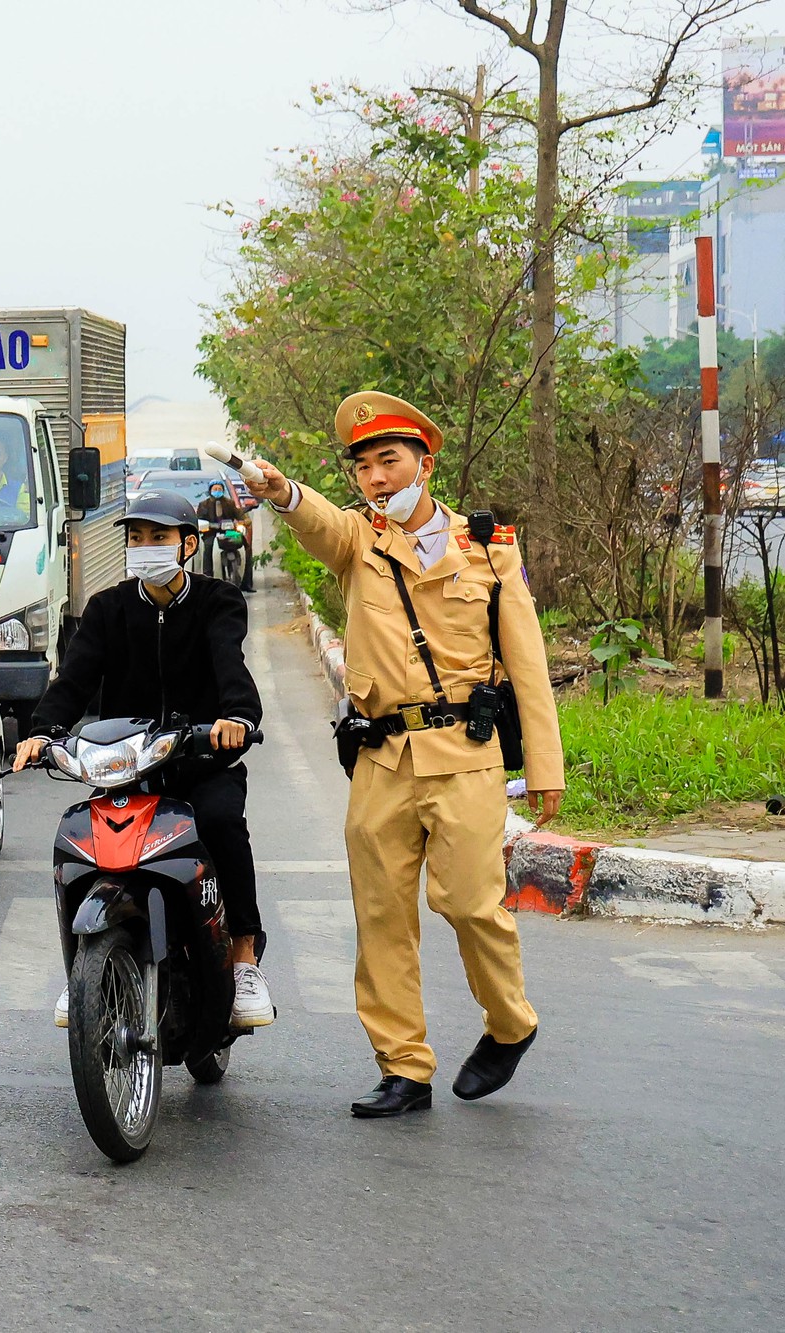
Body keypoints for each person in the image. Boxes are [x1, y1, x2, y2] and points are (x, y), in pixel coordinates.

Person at [243, 390, 562, 1119]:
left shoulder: (488, 551)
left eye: (389, 461)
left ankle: (510, 1022)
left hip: (466, 755)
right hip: (382, 758)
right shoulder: (360, 541)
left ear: (425, 460)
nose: (377, 479)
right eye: (363, 469)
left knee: (470, 902)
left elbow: (529, 664)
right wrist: (285, 492)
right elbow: (317, 521)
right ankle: (404, 1066)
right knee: (382, 914)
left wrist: (544, 766)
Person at [12, 490, 270, 1031]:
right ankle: (80, 965)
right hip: (125, 767)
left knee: (221, 821)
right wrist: (41, 734)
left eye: (159, 538)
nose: (145, 548)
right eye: (136, 538)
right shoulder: (108, 609)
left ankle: (244, 959)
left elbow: (232, 669)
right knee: (80, 840)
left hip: (201, 762)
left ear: (188, 544)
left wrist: (237, 720)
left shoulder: (218, 601)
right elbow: (74, 681)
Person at [197, 478, 242, 578]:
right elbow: (199, 519)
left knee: (241, 540)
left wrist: (241, 523)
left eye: (219, 489)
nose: (217, 491)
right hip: (210, 533)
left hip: (228, 532)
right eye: (215, 489)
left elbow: (240, 516)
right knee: (208, 546)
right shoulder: (204, 504)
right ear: (210, 490)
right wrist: (207, 525)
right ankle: (207, 575)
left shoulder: (230, 503)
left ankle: (246, 579)